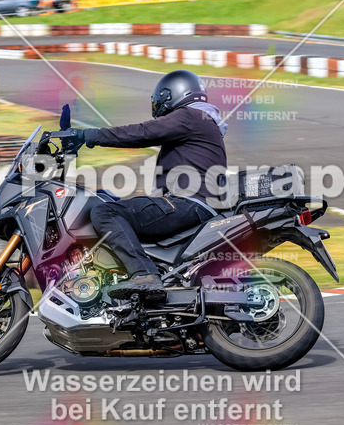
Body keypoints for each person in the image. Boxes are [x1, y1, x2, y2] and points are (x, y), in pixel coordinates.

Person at [56, 70, 228, 298]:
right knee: (109, 204)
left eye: (161, 96)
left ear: (175, 92)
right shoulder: (200, 122)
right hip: (193, 204)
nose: (158, 103)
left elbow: (142, 133)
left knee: (104, 213)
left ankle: (145, 275)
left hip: (189, 204)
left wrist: (87, 136)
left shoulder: (190, 117)